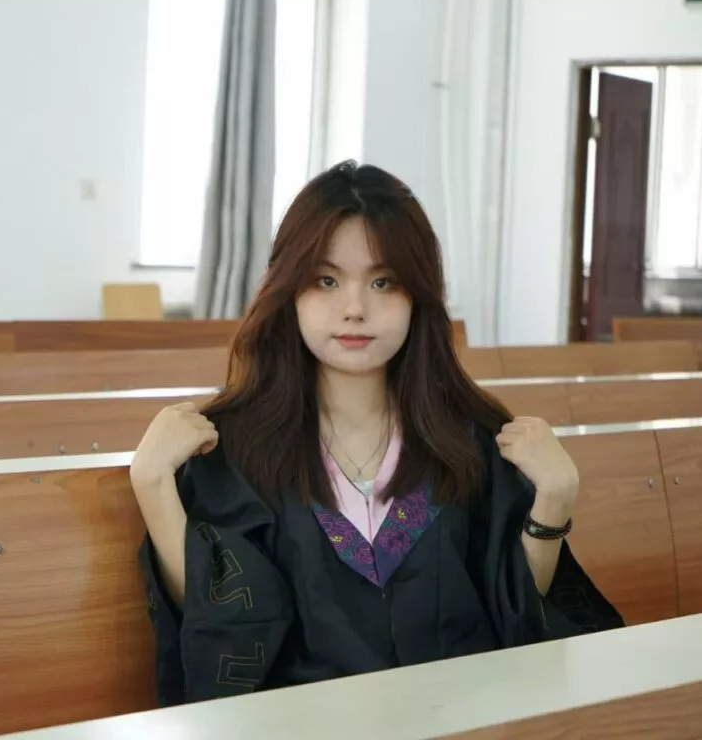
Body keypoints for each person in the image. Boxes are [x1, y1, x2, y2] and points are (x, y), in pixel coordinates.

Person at [129, 160, 623, 706]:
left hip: (460, 720)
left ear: (418, 296)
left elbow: (515, 621)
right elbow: (219, 623)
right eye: (326, 280)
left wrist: (553, 501)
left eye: (383, 282)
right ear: (289, 291)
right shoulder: (236, 448)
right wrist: (152, 482)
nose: (354, 309)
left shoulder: (469, 440)